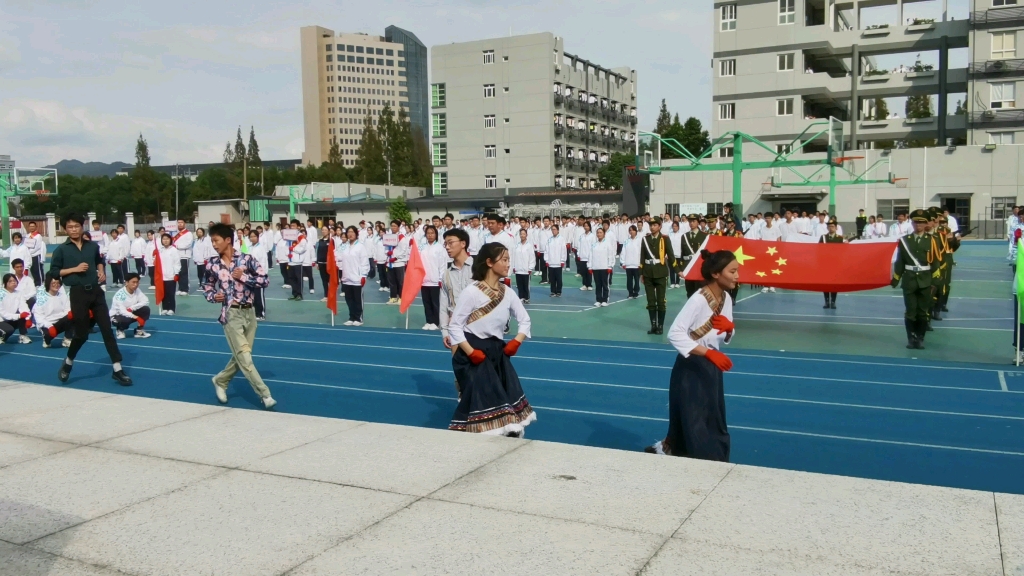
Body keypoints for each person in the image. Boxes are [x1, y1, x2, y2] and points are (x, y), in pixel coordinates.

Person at [646, 249, 738, 461]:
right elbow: (674, 333)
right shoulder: (698, 299)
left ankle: (710, 458)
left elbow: (723, 335)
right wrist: (708, 353)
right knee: (694, 420)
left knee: (713, 417)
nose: (737, 276)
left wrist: (730, 329)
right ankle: (699, 461)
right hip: (692, 366)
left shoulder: (727, 298)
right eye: (732, 271)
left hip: (712, 366)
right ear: (716, 273)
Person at [447, 242, 535, 437]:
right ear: (489, 262)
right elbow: (455, 325)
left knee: (506, 395)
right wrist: (471, 352)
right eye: (503, 260)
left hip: (497, 353)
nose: (507, 264)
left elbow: (525, 320)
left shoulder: (508, 292)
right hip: (474, 353)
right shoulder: (472, 292)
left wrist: (516, 341)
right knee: (484, 398)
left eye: (508, 260)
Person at [50, 214, 132, 385]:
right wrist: (75, 269)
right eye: (70, 227)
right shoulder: (61, 250)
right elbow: (55, 272)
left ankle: (117, 369)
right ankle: (68, 363)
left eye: (76, 226)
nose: (73, 229)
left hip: (96, 292)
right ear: (65, 229)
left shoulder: (92, 246)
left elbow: (99, 260)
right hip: (78, 294)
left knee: (107, 330)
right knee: (81, 334)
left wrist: (101, 271)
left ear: (82, 227)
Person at [202, 223, 276, 409]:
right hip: (231, 313)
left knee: (242, 356)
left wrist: (244, 277)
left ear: (228, 240)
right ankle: (265, 394)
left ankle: (221, 380)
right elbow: (207, 285)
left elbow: (264, 280)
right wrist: (212, 296)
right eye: (212, 241)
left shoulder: (247, 260)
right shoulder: (212, 264)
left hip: (249, 313)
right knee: (245, 357)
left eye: (216, 240)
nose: (214, 244)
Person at [892, 209, 942, 350]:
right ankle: (910, 337)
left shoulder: (932, 241)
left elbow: (936, 262)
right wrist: (896, 278)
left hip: (926, 280)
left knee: (923, 311)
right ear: (912, 223)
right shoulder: (904, 240)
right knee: (910, 311)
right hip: (909, 280)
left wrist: (935, 281)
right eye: (915, 222)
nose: (918, 225)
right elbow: (900, 262)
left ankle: (920, 338)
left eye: (921, 222)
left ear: (926, 224)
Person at [640, 217, 676, 335]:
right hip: (648, 272)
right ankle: (653, 325)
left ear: (660, 226)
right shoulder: (645, 239)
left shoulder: (665, 239)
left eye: (655, 225)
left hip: (661, 273)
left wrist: (677, 270)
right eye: (651, 225)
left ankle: (660, 326)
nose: (652, 227)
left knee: (661, 301)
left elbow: (670, 255)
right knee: (650, 301)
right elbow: (642, 256)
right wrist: (641, 273)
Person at [32, 272, 73, 348]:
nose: (56, 285)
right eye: (53, 283)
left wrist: (69, 314)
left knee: (72, 316)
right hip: (48, 323)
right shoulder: (42, 299)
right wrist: (49, 326)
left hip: (59, 321)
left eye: (58, 283)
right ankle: (46, 338)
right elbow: (39, 318)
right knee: (47, 340)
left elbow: (67, 308)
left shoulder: (62, 296)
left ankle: (67, 339)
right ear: (48, 283)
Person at [419, 225, 447, 330]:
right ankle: (428, 321)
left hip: (435, 281)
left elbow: (443, 265)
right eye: (428, 233)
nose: (430, 235)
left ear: (436, 234)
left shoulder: (440, 248)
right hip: (424, 280)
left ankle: (436, 322)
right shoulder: (421, 247)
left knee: (436, 303)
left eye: (432, 233)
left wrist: (441, 278)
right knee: (426, 303)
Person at [110, 273, 152, 339]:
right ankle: (120, 330)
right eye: (133, 282)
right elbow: (122, 311)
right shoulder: (119, 295)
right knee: (125, 319)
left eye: (137, 282)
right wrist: (137, 317)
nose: (135, 285)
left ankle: (139, 331)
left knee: (146, 309)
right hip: (117, 315)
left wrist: (131, 308)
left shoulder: (137, 290)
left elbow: (146, 301)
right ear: (127, 282)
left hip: (129, 311)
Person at [0, 272, 33, 344]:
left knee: (24, 315)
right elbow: (3, 313)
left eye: (14, 280)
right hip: (1, 320)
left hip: (10, 319)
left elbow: (23, 306)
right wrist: (18, 316)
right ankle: (1, 336)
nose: (13, 282)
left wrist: (27, 318)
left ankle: (23, 336)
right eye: (10, 281)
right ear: (5, 283)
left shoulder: (19, 293)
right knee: (9, 330)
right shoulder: (1, 294)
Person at [819, 219, 845, 309]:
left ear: (836, 227)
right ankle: (826, 302)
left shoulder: (840, 238)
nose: (831, 228)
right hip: (825, 264)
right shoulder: (823, 238)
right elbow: (819, 250)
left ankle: (833, 302)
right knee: (825, 283)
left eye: (832, 226)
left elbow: (843, 252)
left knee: (834, 284)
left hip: (836, 264)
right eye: (829, 226)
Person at [384, 220, 411, 305]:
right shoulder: (388, 237)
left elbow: (403, 250)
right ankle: (393, 297)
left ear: (399, 227)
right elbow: (385, 247)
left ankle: (401, 297)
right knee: (392, 281)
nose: (393, 227)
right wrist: (387, 253)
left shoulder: (402, 237)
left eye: (395, 226)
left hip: (399, 262)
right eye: (392, 226)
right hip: (390, 262)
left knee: (400, 281)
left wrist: (395, 257)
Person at [590, 227, 614, 307]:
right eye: (598, 233)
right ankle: (598, 299)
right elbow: (591, 256)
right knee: (598, 284)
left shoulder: (607, 244)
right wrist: (590, 266)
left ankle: (605, 299)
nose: (599, 234)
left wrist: (610, 266)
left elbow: (610, 256)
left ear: (604, 234)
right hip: (596, 267)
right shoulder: (594, 244)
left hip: (605, 267)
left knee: (605, 284)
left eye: (600, 232)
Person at [157, 233, 180, 315]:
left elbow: (177, 263)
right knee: (163, 293)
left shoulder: (174, 250)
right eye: (164, 239)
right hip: (162, 276)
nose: (165, 241)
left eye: (167, 239)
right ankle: (165, 308)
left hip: (171, 276)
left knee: (171, 293)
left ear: (170, 240)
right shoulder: (160, 250)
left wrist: (176, 273)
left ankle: (171, 309)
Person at [286, 220, 308, 301]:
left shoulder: (301, 237)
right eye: (291, 225)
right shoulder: (288, 236)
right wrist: (287, 254)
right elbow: (286, 247)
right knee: (292, 279)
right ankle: (294, 293)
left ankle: (299, 294)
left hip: (298, 262)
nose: (292, 227)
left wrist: (294, 249)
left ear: (298, 227)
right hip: (290, 261)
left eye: (294, 225)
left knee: (299, 279)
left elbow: (303, 248)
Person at [511, 228, 535, 303]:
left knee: (526, 285)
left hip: (526, 269)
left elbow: (532, 257)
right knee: (519, 284)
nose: (522, 235)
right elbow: (514, 256)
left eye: (524, 234)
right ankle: (521, 297)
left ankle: (527, 297)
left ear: (526, 235)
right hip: (518, 269)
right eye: (521, 234)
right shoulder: (516, 246)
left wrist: (530, 268)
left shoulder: (529, 246)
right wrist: (514, 266)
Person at [171, 220, 193, 295]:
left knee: (184, 272)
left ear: (184, 224)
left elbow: (188, 244)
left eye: (181, 223)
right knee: (178, 272)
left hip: (184, 256)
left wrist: (177, 246)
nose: (180, 224)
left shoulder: (188, 233)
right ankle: (180, 288)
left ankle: (185, 289)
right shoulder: (176, 234)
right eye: (178, 223)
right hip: (177, 256)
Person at [544, 224, 567, 297]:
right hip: (551, 262)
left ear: (558, 230)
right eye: (552, 230)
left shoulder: (561, 239)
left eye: (554, 229)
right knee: (552, 278)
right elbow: (546, 250)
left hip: (558, 262)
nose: (553, 231)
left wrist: (562, 261)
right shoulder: (549, 239)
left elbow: (564, 250)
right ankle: (553, 291)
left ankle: (559, 291)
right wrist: (546, 260)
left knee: (559, 278)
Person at [620, 225, 642, 299]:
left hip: (636, 264)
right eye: (630, 230)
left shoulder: (640, 240)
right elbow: (623, 252)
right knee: (629, 280)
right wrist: (623, 262)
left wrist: (641, 263)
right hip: (628, 264)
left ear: (636, 231)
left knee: (636, 279)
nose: (631, 232)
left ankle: (636, 292)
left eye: (633, 230)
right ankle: (630, 293)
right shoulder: (626, 241)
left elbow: (641, 252)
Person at [25, 221, 46, 286]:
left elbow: (37, 247)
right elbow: (26, 245)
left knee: (38, 270)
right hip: (29, 256)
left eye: (33, 226)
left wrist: (29, 252)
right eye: (30, 226)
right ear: (28, 227)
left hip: (36, 256)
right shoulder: (27, 235)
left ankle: (40, 284)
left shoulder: (38, 236)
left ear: (36, 227)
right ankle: (36, 283)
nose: (32, 228)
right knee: (33, 271)